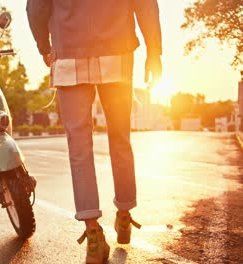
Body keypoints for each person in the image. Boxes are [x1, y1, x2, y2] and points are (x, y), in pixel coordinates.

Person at [26, 0, 162, 263]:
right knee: (120, 140)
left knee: (79, 148)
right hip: (117, 50)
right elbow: (146, 5)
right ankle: (124, 215)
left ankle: (93, 235)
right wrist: (154, 52)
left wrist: (45, 46)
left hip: (68, 52)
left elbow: (36, 8)